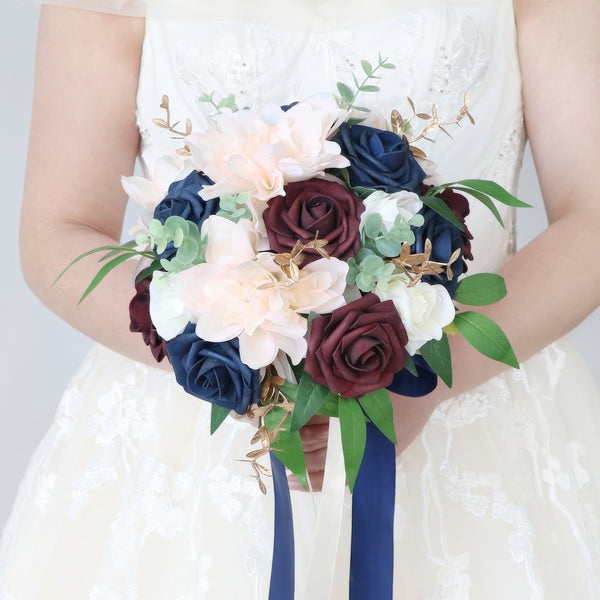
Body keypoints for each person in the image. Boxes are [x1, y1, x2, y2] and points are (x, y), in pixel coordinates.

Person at [1, 0, 599, 597]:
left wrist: (422, 384)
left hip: (475, 406)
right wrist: (242, 368)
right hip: (201, 436)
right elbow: (59, 229)